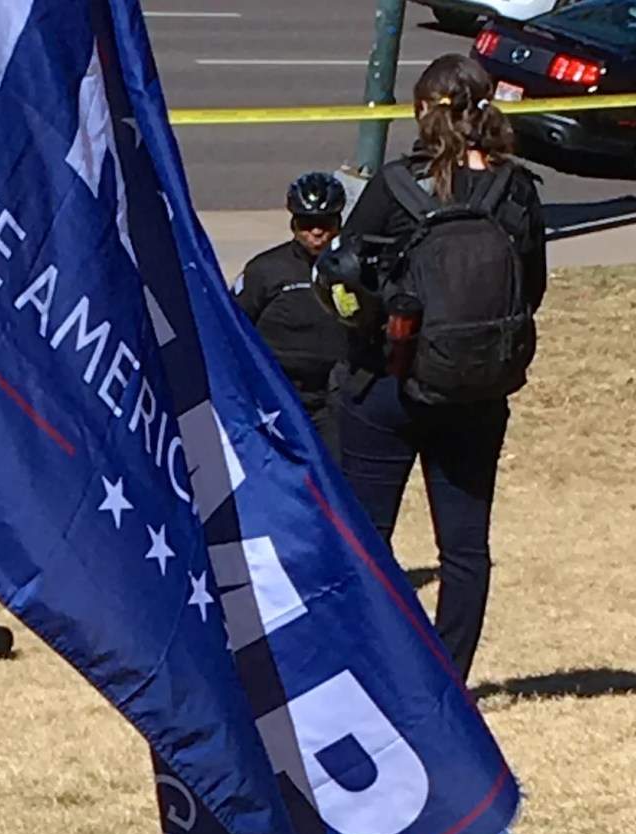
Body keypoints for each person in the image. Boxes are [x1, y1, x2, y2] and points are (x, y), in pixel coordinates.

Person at [334, 54, 547, 682]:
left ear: (425, 111)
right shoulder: (516, 189)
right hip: (476, 389)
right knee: (465, 548)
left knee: (366, 537)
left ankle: (372, 667)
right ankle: (448, 681)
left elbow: (344, 273)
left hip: (388, 381)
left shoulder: (395, 185)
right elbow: (531, 289)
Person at [233, 171, 349, 459]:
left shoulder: (355, 267)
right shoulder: (265, 270)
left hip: (335, 396)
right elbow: (231, 327)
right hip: (278, 396)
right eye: (306, 224)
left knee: (338, 475)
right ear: (293, 223)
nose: (316, 232)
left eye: (326, 223)